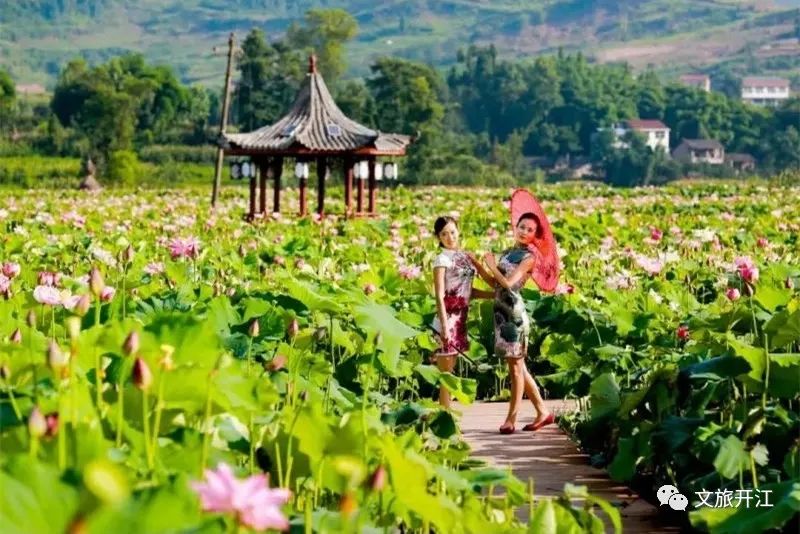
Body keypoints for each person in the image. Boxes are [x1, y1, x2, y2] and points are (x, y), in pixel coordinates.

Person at [480, 212, 553, 434]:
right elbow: (495, 284)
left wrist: (492, 265)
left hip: (514, 315)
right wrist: (480, 265)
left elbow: (509, 284)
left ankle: (511, 419)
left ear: (534, 235)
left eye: (530, 230)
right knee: (518, 366)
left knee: (515, 368)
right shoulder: (509, 253)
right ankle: (543, 412)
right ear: (516, 226)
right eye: (522, 227)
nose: (524, 232)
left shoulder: (529, 257)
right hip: (501, 313)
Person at [431, 216, 494, 409]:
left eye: (452, 232)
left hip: (460, 319)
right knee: (446, 376)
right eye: (444, 234)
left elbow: (468, 291)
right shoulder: (441, 260)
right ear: (438, 237)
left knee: (451, 371)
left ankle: (446, 415)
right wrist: (445, 328)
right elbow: (440, 295)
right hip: (446, 320)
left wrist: (493, 295)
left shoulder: (466, 258)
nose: (449, 237)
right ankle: (445, 417)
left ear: (458, 231)